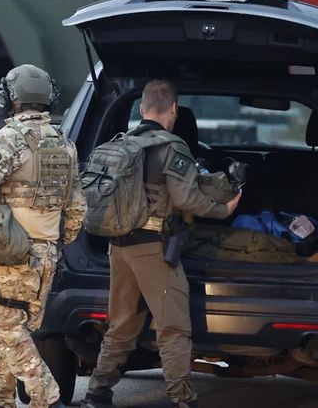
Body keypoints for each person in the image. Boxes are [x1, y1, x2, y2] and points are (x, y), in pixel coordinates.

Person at [82, 80, 242, 408]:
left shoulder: (123, 143)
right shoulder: (172, 147)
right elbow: (187, 199)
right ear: (173, 110)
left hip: (119, 247)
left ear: (142, 110)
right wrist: (223, 209)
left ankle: (97, 391)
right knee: (173, 327)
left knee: (121, 324)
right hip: (153, 249)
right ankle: (182, 397)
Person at [0, 64, 87, 408]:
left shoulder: (9, 139)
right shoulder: (65, 144)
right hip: (46, 256)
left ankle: (48, 397)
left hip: (15, 255)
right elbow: (76, 209)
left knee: (7, 332)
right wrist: (54, 244)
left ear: (10, 99)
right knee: (8, 331)